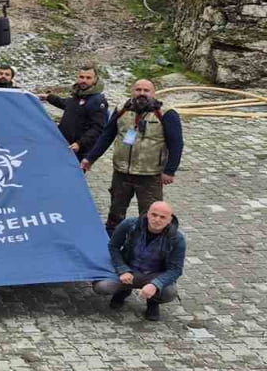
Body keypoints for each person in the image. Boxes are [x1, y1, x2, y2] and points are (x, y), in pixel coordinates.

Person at [80, 78, 184, 232]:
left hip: (150, 175)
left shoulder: (166, 113)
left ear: (154, 93)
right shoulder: (122, 109)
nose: (142, 93)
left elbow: (176, 143)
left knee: (150, 216)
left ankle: (145, 243)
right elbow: (107, 136)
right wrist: (90, 158)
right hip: (121, 173)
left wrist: (170, 170)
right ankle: (112, 240)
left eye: (146, 90)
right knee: (115, 214)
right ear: (132, 91)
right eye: (138, 90)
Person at [93, 201, 185, 321]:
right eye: (154, 215)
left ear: (170, 220)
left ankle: (153, 302)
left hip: (154, 274)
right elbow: (113, 247)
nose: (157, 220)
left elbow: (175, 270)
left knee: (169, 293)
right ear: (147, 214)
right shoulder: (130, 224)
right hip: (129, 269)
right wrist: (123, 269)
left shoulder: (177, 239)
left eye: (162, 217)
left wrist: (156, 284)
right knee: (102, 286)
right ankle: (123, 291)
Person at [40, 66, 108, 157]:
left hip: (78, 151)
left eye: (88, 78)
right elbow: (67, 104)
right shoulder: (78, 94)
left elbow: (97, 128)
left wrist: (80, 144)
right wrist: (49, 97)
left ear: (95, 79)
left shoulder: (97, 101)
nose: (84, 80)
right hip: (64, 144)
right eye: (81, 77)